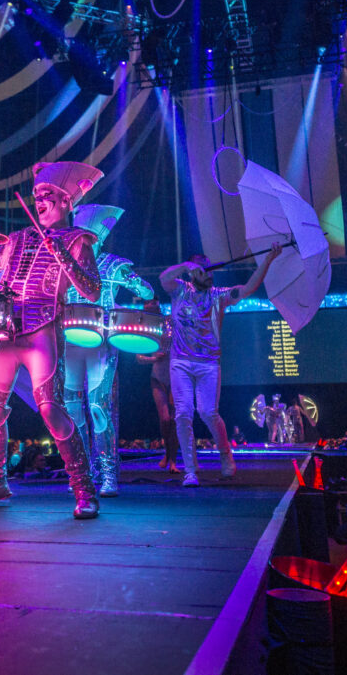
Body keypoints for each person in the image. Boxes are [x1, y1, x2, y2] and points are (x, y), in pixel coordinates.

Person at [0, 161, 103, 518]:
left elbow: (93, 290)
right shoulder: (18, 238)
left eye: (47, 195)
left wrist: (63, 255)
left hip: (43, 329)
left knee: (50, 408)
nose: (39, 200)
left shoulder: (78, 240)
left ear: (66, 201)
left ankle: (83, 489)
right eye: (36, 195)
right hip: (5, 329)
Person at [159, 244, 282, 486]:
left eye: (210, 269)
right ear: (193, 273)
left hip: (208, 364)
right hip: (181, 362)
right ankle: (191, 471)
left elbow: (247, 289)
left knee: (207, 412)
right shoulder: (179, 290)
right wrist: (185, 266)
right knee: (183, 413)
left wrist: (267, 260)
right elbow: (163, 277)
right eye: (202, 269)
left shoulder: (219, 296)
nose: (208, 274)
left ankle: (226, 455)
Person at [61, 203, 154, 497]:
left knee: (99, 407)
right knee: (72, 410)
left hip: (101, 341)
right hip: (70, 340)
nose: (81, 240)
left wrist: (129, 280)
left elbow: (148, 292)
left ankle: (109, 473)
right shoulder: (63, 260)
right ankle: (82, 472)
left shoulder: (112, 264)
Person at [136, 299, 179, 473]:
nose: (150, 309)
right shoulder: (145, 327)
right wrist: (153, 358)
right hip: (158, 375)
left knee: (175, 419)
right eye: (147, 308)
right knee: (165, 419)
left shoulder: (170, 321)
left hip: (175, 374)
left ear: (159, 306)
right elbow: (138, 357)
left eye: (153, 306)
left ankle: (173, 461)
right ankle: (167, 454)